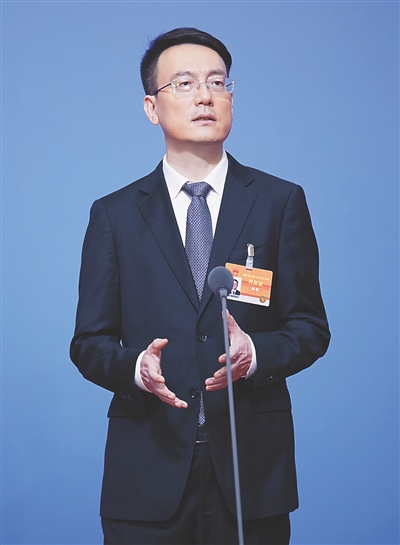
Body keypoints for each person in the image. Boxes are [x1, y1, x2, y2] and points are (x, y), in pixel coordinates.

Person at [70, 27, 330, 545]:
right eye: (185, 83)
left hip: (251, 471)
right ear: (152, 107)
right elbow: (88, 343)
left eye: (217, 82)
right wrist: (136, 368)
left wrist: (255, 355)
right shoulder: (114, 215)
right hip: (147, 470)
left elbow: (310, 327)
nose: (205, 96)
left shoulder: (279, 202)